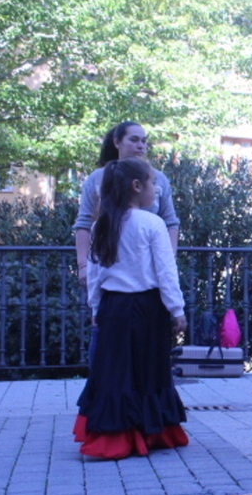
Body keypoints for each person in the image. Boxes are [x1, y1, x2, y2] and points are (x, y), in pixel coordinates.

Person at [73, 158, 188, 459]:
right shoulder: (153, 223)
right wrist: (177, 309)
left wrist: (96, 308)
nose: (157, 191)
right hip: (149, 308)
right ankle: (153, 430)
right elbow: (166, 271)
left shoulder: (102, 225)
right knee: (149, 369)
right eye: (153, 184)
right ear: (137, 187)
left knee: (115, 371)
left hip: (113, 307)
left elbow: (96, 274)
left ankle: (115, 433)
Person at [74, 122, 180, 365]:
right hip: (109, 268)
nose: (141, 145)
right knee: (103, 331)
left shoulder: (157, 179)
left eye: (144, 140)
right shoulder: (98, 178)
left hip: (148, 275)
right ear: (117, 142)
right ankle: (103, 388)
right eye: (134, 139)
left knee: (148, 339)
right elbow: (84, 223)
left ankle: (143, 393)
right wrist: (83, 265)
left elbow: (171, 222)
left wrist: (166, 260)